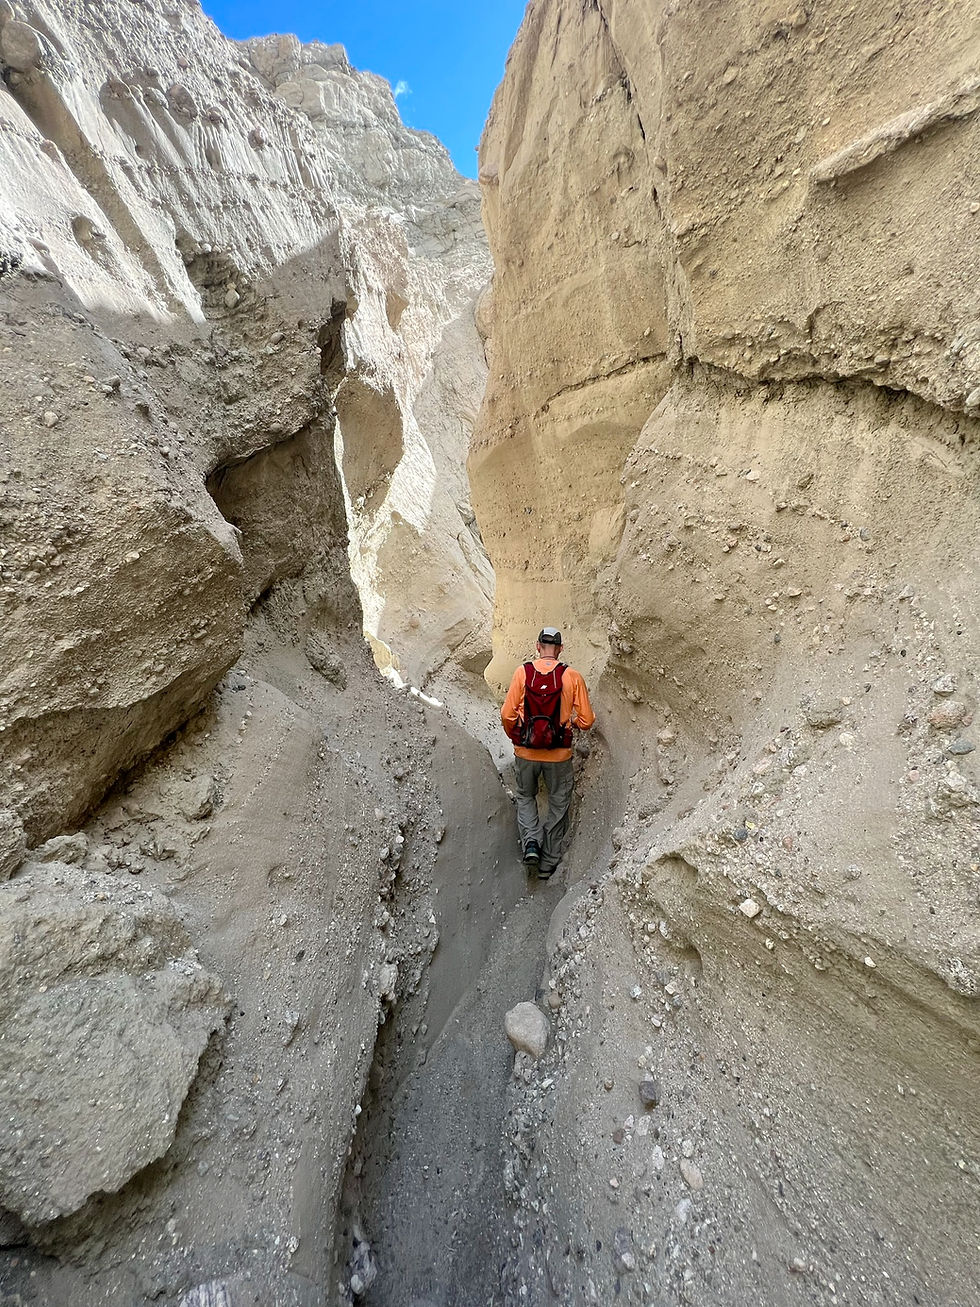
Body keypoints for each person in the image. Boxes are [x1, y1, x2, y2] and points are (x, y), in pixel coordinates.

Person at [501, 626, 595, 879]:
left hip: (525, 752)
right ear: (560, 649)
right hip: (559, 755)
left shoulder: (522, 672)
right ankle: (548, 864)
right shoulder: (572, 676)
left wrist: (517, 737)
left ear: (537, 646)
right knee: (558, 802)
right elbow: (587, 720)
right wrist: (571, 722)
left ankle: (531, 843)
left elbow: (507, 714)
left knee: (525, 796)